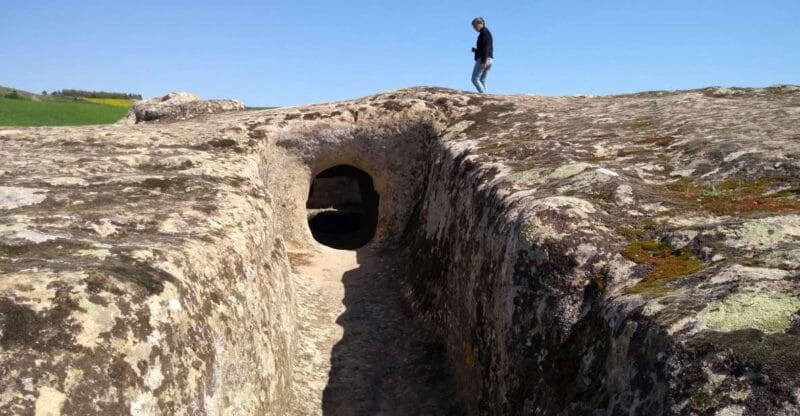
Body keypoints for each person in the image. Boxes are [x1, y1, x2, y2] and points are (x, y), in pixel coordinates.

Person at [470, 17, 494, 94]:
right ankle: (487, 96)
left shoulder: (484, 33)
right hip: (490, 59)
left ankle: (484, 96)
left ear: (480, 23)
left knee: (475, 79)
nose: (474, 28)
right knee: (483, 80)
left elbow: (486, 47)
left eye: (475, 26)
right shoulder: (486, 32)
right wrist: (476, 50)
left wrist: (483, 61)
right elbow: (486, 47)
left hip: (484, 59)